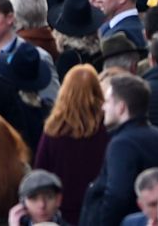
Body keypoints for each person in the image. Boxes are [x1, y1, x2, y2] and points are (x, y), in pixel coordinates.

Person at [79, 74, 158, 226]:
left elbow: (117, 196)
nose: (103, 107)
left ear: (121, 107)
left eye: (107, 101)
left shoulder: (122, 144)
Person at [35, 64, 110, 225]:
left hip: (63, 210)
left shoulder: (53, 130)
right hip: (99, 209)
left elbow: (40, 170)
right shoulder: (107, 129)